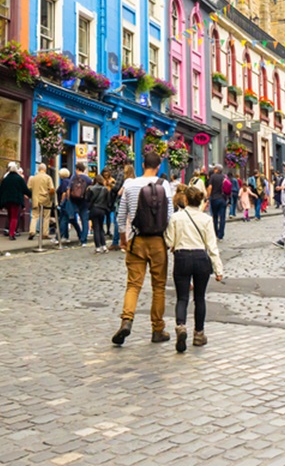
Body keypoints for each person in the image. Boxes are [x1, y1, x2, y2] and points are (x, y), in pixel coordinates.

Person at [112, 150, 174, 346]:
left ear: (142, 165)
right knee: (158, 287)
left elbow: (121, 216)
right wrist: (171, 241)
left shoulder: (130, 185)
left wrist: (123, 238)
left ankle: (127, 320)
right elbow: (170, 216)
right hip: (158, 241)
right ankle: (157, 329)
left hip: (136, 240)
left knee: (133, 285)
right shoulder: (164, 185)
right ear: (158, 167)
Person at [164, 185, 224, 353]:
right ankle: (199, 334)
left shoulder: (176, 218)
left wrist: (174, 244)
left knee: (182, 297)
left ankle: (181, 325)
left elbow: (169, 241)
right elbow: (212, 246)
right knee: (200, 298)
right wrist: (218, 269)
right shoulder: (206, 219)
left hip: (182, 257)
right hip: (200, 258)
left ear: (185, 200)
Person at [0, 161, 30, 241]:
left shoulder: (6, 179)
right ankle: (12, 234)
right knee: (14, 217)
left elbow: (0, 191)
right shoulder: (19, 179)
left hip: (7, 201)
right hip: (16, 201)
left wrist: (0, 202)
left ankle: (9, 231)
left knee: (10, 216)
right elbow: (25, 190)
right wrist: (32, 195)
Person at [26, 163, 57, 243]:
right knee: (46, 216)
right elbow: (52, 189)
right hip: (45, 199)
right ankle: (45, 233)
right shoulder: (48, 177)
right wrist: (51, 197)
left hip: (35, 199)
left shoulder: (33, 178)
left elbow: (29, 188)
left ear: (38, 169)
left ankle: (32, 231)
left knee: (34, 216)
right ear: (45, 169)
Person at [66, 163, 92, 246]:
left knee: (71, 218)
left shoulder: (74, 177)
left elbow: (68, 189)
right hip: (84, 202)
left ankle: (79, 234)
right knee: (84, 220)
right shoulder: (88, 179)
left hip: (74, 201)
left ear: (77, 169)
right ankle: (83, 240)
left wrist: (68, 199)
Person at [87, 173, 114, 253]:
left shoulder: (91, 189)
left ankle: (98, 247)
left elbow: (87, 199)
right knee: (101, 228)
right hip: (102, 210)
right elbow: (108, 201)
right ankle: (104, 246)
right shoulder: (105, 189)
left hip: (94, 209)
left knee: (96, 228)